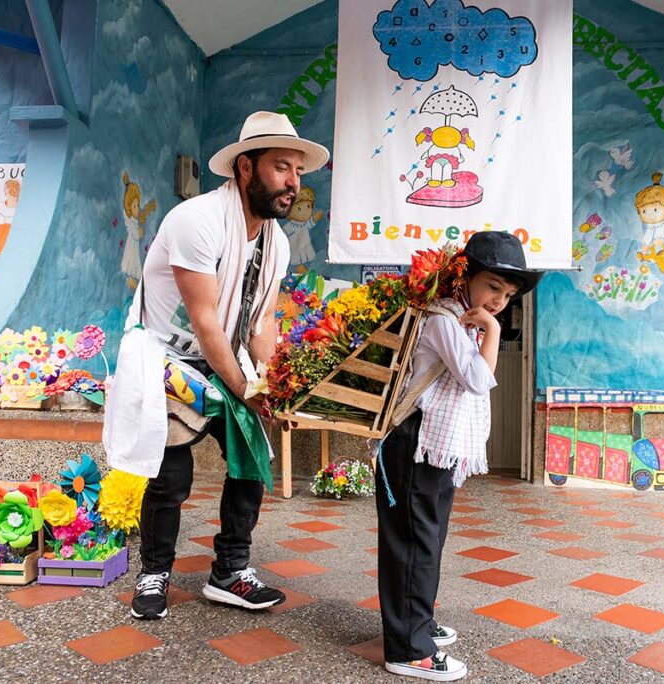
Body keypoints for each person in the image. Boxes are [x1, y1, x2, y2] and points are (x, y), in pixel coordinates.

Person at [129, 112, 329, 620]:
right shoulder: (196, 220)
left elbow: (259, 322)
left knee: (252, 456)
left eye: (298, 172)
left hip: (223, 356)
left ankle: (229, 571)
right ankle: (155, 572)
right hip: (171, 357)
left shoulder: (276, 242)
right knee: (170, 475)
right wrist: (247, 389)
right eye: (281, 167)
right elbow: (205, 323)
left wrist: (274, 387)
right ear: (245, 168)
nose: (293, 183)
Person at [376, 231, 541, 681]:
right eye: (493, 287)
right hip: (414, 441)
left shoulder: (459, 319)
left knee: (426, 537)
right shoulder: (444, 319)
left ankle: (418, 623)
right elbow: (476, 378)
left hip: (431, 445)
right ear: (465, 275)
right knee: (414, 541)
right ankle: (408, 648)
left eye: (508, 295)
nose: (499, 300)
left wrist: (484, 323)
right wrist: (492, 328)